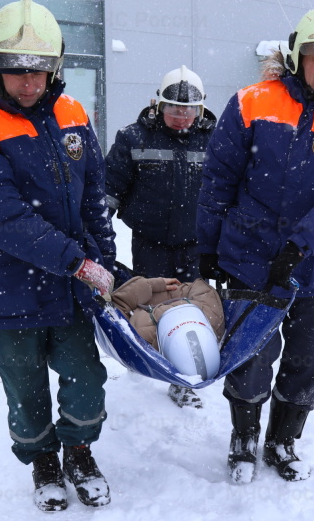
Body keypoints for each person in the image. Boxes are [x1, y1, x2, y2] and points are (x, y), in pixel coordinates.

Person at [197, 4, 314, 484]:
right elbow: (218, 179)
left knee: (308, 361)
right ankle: (243, 438)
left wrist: (301, 244)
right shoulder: (252, 101)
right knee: (249, 355)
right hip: (248, 258)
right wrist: (207, 246)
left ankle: (283, 441)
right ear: (297, 55)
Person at [0, 0, 115, 512]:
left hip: (72, 285)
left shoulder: (72, 112)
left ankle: (79, 451)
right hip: (11, 287)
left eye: (40, 71)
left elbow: (93, 196)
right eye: (16, 71)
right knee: (25, 386)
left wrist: (106, 258)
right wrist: (77, 261)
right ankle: (42, 458)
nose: (28, 83)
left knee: (86, 378)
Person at [105, 65, 217, 408]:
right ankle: (150, 360)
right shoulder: (133, 138)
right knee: (154, 303)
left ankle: (185, 375)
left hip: (195, 244)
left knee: (190, 308)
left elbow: (228, 193)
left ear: (200, 109)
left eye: (188, 110)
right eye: (173, 108)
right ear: (158, 103)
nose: (181, 116)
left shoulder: (215, 140)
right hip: (150, 241)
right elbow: (109, 191)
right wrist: (98, 237)